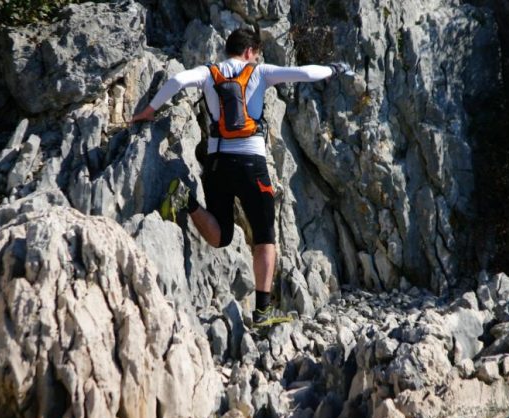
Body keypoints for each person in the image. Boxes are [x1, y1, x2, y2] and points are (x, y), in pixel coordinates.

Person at [131, 27, 351, 328]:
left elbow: (177, 80)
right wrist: (334, 69)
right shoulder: (259, 72)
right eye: (256, 54)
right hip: (251, 164)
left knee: (221, 235)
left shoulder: (210, 73)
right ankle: (261, 313)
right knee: (265, 237)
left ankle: (186, 201)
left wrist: (149, 110)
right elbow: (305, 73)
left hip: (217, 163)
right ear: (250, 51)